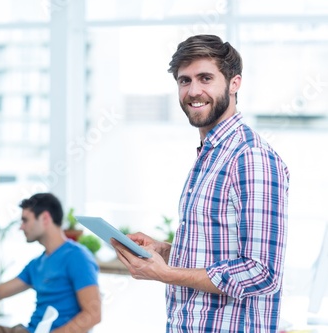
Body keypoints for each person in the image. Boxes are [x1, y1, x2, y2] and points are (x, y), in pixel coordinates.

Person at [111, 34, 290, 332]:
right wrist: (164, 251)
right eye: (184, 81)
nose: (194, 91)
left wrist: (166, 274)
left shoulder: (250, 157)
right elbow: (216, 251)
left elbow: (261, 272)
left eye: (205, 78)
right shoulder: (210, 156)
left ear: (234, 83)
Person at [0, 192, 101, 333]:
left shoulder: (77, 257)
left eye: (25, 220)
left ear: (45, 218)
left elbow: (93, 314)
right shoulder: (37, 263)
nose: (21, 227)